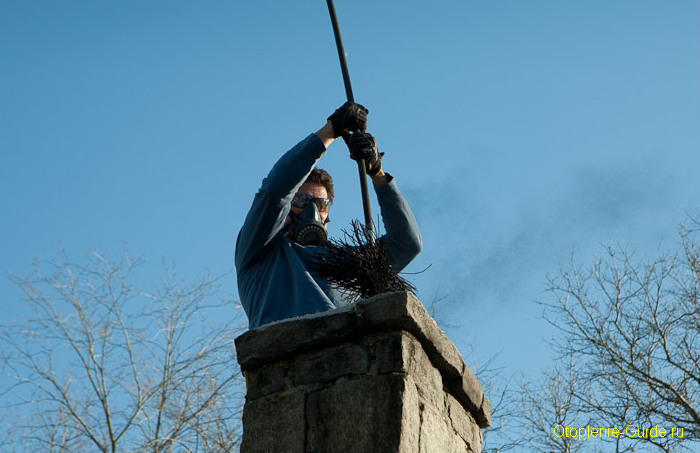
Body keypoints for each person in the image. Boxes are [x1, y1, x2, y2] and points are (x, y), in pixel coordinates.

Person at [235, 102, 422, 329]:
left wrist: (377, 174)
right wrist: (332, 130)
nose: (311, 211)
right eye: (301, 202)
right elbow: (275, 191)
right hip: (282, 355)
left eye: (321, 204)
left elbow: (407, 244)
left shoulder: (348, 265)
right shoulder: (261, 251)